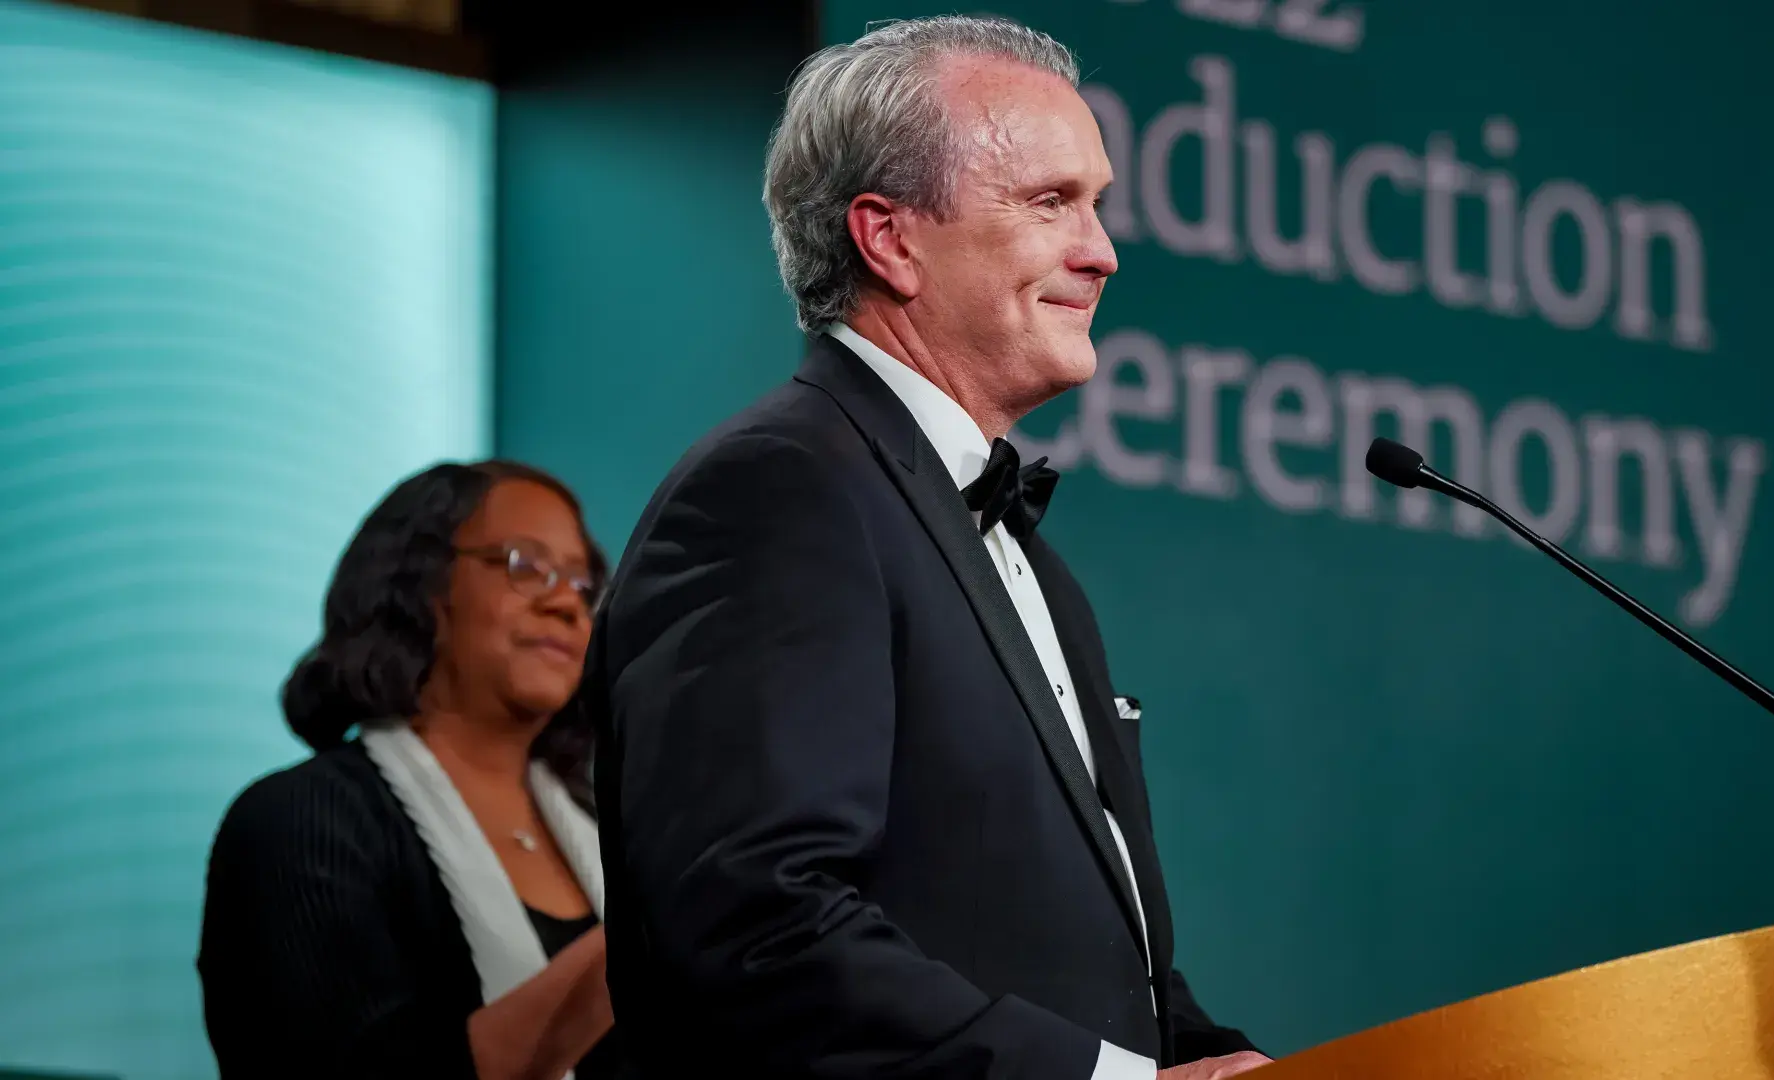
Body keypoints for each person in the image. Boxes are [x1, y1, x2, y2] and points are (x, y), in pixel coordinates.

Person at [583, 15, 1270, 1080]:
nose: (1103, 251)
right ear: (890, 238)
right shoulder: (780, 489)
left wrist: (1218, 1059)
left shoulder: (1033, 566)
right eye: (1051, 203)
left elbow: (1089, 968)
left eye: (1095, 204)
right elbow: (754, 932)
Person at [198, 461, 620, 1080]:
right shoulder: (298, 821)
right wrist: (647, 923)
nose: (566, 604)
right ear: (419, 586)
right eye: (523, 566)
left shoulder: (607, 829)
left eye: (582, 585)